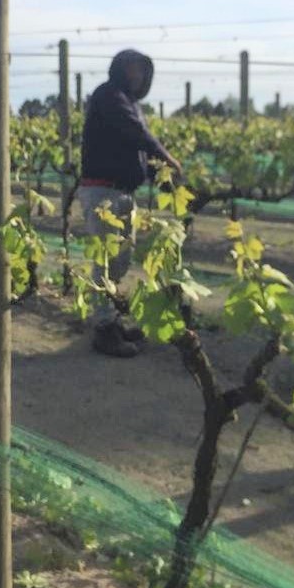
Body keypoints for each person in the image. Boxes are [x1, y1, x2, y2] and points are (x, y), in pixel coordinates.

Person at [79, 49, 182, 357]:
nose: (136, 75)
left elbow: (137, 149)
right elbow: (137, 134)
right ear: (119, 70)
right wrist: (168, 159)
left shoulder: (131, 103)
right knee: (107, 262)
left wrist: (160, 173)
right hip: (103, 193)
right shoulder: (109, 96)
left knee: (121, 261)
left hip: (122, 192)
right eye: (131, 69)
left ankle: (112, 321)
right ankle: (103, 330)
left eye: (141, 71)